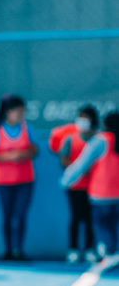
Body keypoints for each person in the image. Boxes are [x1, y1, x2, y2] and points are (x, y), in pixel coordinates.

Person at [0, 94, 38, 260]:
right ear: (8, 112)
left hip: (25, 180)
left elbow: (35, 150)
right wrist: (10, 157)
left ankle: (19, 250)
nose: (21, 114)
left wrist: (23, 154)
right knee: (7, 216)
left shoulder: (28, 128)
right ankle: (8, 250)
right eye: (18, 111)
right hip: (4, 181)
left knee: (20, 215)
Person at [62, 110, 119, 256]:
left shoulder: (101, 140)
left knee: (103, 228)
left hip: (102, 195)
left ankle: (109, 253)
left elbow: (82, 164)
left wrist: (66, 181)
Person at [50, 105, 100, 262]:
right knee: (77, 217)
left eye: (86, 118)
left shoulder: (99, 140)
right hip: (75, 186)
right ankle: (73, 249)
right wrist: (77, 169)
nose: (83, 121)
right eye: (81, 118)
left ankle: (91, 249)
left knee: (91, 219)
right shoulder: (70, 139)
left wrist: (90, 169)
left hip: (94, 187)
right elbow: (64, 159)